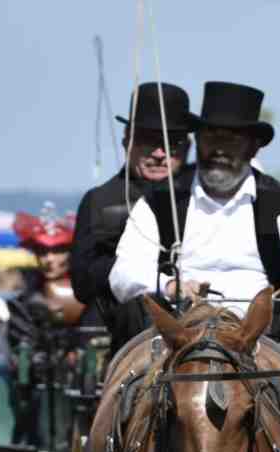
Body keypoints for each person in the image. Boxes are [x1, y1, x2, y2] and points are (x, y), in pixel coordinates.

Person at [110, 81, 280, 316]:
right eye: (211, 138)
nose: (219, 150)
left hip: (261, 328)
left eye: (231, 140)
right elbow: (124, 272)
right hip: (181, 327)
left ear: (253, 149)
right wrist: (169, 286)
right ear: (198, 141)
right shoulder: (161, 199)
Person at [71, 82, 192, 342]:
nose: (160, 153)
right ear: (128, 140)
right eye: (149, 141)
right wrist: (139, 273)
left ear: (188, 148)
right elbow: (82, 283)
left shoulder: (203, 201)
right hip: (127, 328)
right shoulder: (100, 201)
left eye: (172, 143)